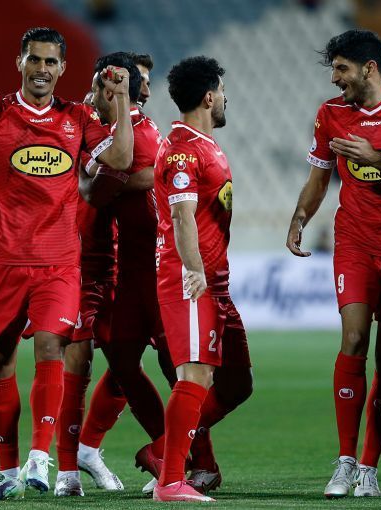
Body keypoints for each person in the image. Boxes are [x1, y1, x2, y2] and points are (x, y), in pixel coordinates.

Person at [0, 27, 134, 501]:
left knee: (52, 346)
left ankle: (39, 454)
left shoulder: (78, 117)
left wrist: (118, 99)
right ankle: (7, 471)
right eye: (34, 59)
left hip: (59, 263)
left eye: (51, 62)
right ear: (20, 62)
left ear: (63, 68)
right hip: (3, 262)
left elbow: (120, 157)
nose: (42, 69)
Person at [285, 29, 381, 498]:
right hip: (354, 240)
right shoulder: (331, 115)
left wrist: (376, 157)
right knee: (353, 338)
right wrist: (299, 217)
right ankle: (344, 461)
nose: (335, 79)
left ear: (368, 67)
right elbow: (318, 178)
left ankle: (369, 467)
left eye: (342, 69)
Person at [152, 56, 253, 503]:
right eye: (223, 91)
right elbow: (181, 215)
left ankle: (165, 454)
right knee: (195, 374)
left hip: (216, 282)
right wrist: (194, 270)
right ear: (210, 97)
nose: (227, 98)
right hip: (190, 277)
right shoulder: (181, 150)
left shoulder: (205, 145)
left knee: (236, 382)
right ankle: (171, 480)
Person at [53, 52, 146, 497]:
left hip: (117, 265)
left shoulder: (138, 130)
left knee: (128, 361)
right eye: (134, 85)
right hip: (77, 263)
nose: (141, 94)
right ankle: (65, 469)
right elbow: (103, 183)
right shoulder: (79, 124)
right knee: (77, 362)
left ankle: (87, 448)